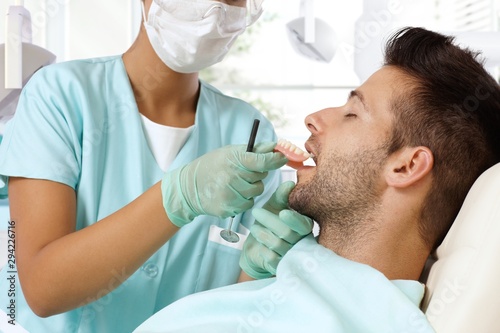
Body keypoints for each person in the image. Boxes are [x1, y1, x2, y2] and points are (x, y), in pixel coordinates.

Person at [132, 26, 500, 332]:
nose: (313, 118)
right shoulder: (310, 295)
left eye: (353, 114)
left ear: (405, 167)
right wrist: (256, 277)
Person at [0, 1, 303, 332]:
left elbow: (235, 306)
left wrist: (259, 270)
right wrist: (179, 197)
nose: (214, 9)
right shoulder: (59, 95)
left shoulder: (248, 128)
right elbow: (43, 290)